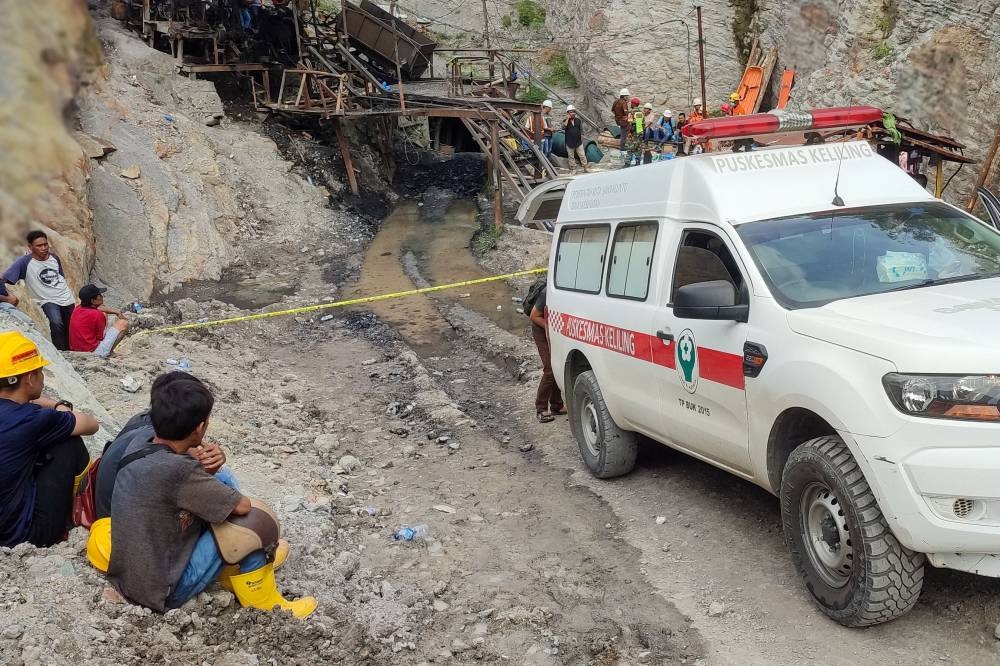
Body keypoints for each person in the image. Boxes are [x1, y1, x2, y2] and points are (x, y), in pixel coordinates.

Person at [106, 378, 315, 617]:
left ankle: (231, 567)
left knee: (222, 482)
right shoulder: (180, 471)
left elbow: (173, 485)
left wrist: (207, 468)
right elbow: (242, 506)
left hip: (130, 578)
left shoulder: (139, 443)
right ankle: (264, 599)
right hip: (164, 591)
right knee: (252, 524)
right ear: (199, 428)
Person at [0, 331, 99, 548]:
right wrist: (60, 407)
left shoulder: (17, 415)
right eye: (40, 371)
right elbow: (91, 425)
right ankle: (79, 514)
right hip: (20, 536)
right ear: (30, 378)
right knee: (68, 441)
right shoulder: (32, 420)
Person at [94, 371, 227, 520]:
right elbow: (188, 484)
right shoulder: (160, 446)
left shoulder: (143, 421)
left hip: (107, 509)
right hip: (119, 521)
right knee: (225, 480)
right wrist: (210, 468)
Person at [3, 231, 77, 351]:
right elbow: (6, 277)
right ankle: (61, 352)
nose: (43, 248)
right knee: (56, 322)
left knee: (71, 325)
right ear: (30, 247)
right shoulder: (24, 262)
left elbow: (60, 277)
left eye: (45, 244)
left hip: (65, 297)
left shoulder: (54, 258)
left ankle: (71, 350)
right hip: (47, 299)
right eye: (39, 246)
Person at [529, 285, 563, 422]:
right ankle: (541, 408)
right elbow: (534, 316)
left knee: (557, 366)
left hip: (555, 328)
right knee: (549, 370)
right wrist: (552, 328)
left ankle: (557, 405)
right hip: (541, 330)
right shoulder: (547, 293)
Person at [68, 285, 130, 358]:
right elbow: (101, 337)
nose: (101, 296)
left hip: (76, 349)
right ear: (93, 300)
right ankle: (109, 352)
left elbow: (99, 308)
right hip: (93, 352)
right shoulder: (97, 315)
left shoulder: (78, 308)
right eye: (99, 295)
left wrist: (116, 311)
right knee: (123, 323)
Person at [563, 105, 589, 174]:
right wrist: (567, 119)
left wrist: (582, 136)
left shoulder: (578, 120)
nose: (573, 113)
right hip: (569, 142)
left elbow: (581, 130)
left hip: (578, 142)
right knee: (571, 157)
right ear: (568, 113)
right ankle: (573, 169)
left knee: (582, 155)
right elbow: (563, 127)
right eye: (571, 112)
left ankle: (585, 168)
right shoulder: (565, 121)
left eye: (574, 112)